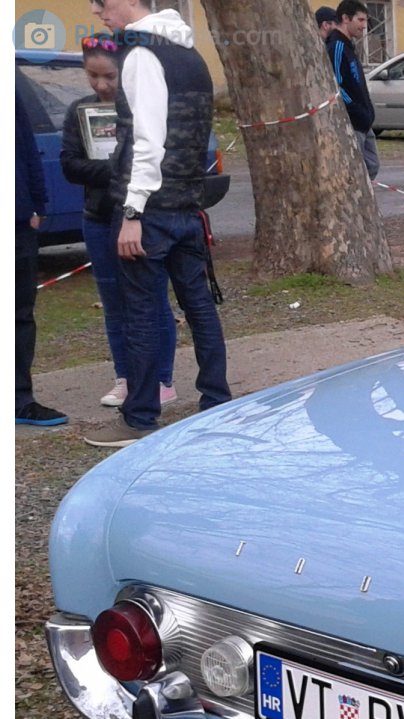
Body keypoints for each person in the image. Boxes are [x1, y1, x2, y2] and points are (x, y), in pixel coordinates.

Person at [85, 0, 230, 449]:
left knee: (142, 315)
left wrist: (132, 213)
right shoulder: (190, 53)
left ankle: (140, 417)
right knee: (200, 308)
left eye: (102, 4)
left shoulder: (142, 55)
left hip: (152, 211)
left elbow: (148, 140)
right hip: (189, 204)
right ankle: (218, 401)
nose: (98, 14)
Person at [61, 32, 177, 410]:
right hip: (97, 216)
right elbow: (70, 164)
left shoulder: (142, 107)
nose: (101, 85)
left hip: (140, 217)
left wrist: (123, 172)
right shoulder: (79, 111)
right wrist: (114, 169)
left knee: (150, 298)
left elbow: (153, 158)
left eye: (109, 76)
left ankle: (161, 378)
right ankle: (125, 376)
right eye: (93, 76)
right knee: (113, 302)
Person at [16, 88, 69, 428]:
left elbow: (25, 145)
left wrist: (37, 201)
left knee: (20, 313)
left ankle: (20, 399)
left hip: (17, 218)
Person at [326, 0, 378, 179]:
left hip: (365, 122)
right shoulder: (337, 47)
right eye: (360, 20)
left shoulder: (349, 46)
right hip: (353, 122)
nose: (364, 26)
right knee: (356, 173)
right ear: (345, 18)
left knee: (372, 167)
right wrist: (356, 110)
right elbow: (336, 86)